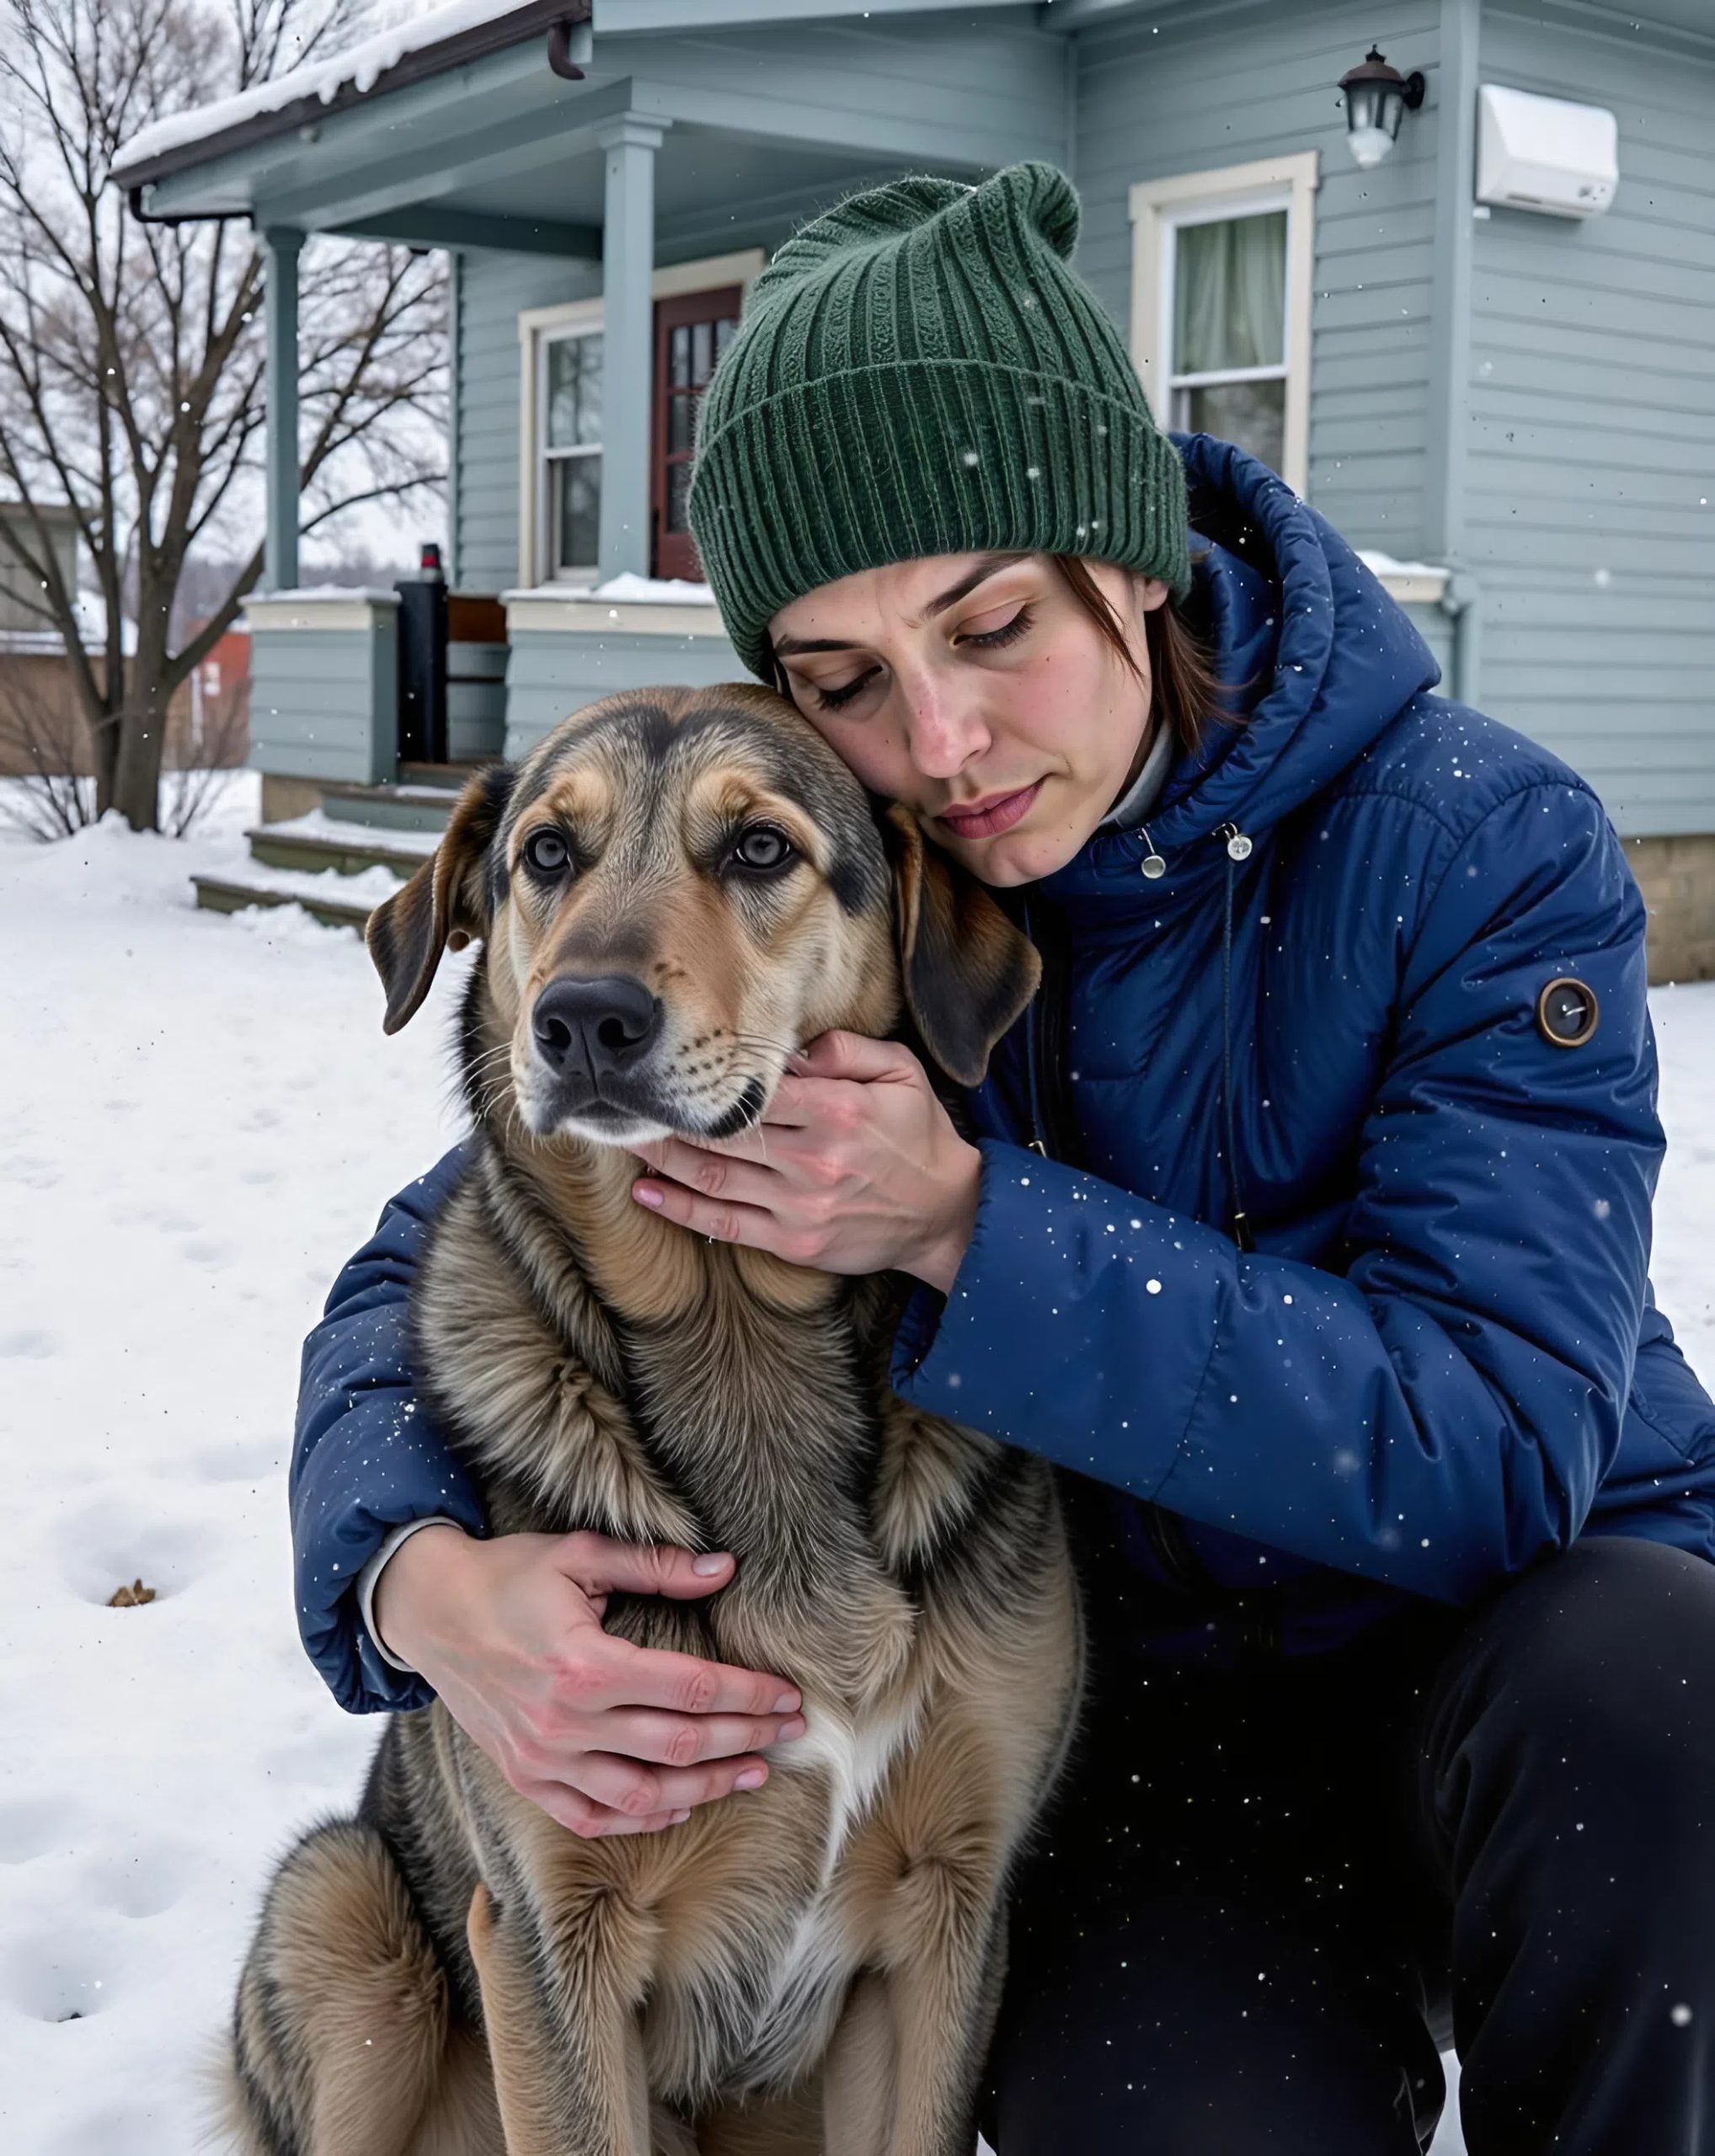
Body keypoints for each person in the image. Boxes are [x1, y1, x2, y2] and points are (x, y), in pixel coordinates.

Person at [291, 164, 1715, 2152]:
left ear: (1126, 559)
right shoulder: (860, 894)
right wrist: (406, 1579)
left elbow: (1499, 1439)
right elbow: (439, 1266)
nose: (945, 737)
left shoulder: (1480, 849)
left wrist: (972, 1227)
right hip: (1145, 1752)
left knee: (1660, 1687)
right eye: (842, 678)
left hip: (1502, 1659)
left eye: (991, 623)